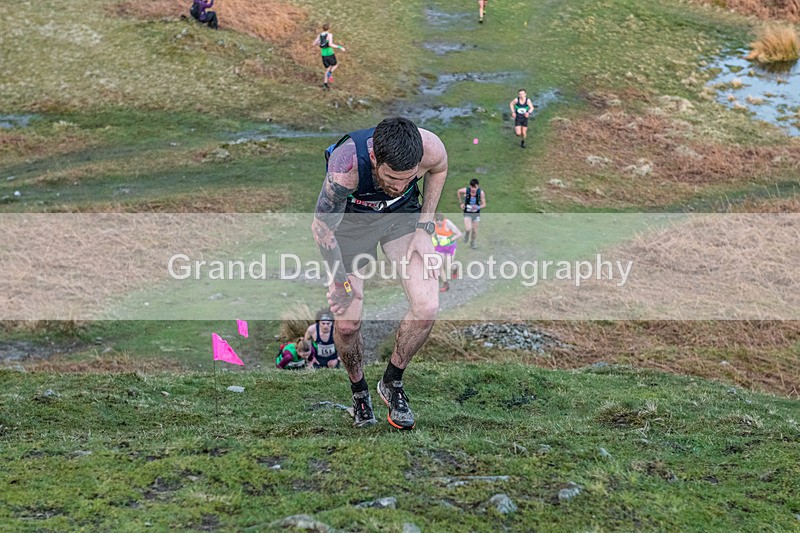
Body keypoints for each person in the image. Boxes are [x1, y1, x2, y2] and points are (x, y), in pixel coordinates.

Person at [312, 116, 448, 430]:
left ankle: (392, 382)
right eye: (391, 178)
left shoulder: (429, 147)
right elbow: (321, 229)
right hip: (351, 226)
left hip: (401, 219)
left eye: (408, 178)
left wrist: (425, 228)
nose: (399, 186)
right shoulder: (346, 167)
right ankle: (359, 392)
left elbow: (440, 168)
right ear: (374, 158)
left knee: (427, 305)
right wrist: (339, 282)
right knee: (347, 324)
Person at [432, 213, 462, 292]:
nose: (439, 225)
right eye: (437, 223)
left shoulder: (448, 223)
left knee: (449, 265)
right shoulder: (434, 224)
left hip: (450, 247)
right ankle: (446, 285)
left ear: (443, 220)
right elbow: (432, 234)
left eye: (441, 223)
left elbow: (459, 234)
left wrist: (448, 240)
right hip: (440, 247)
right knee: (440, 265)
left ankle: (455, 269)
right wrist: (433, 239)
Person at [312, 23, 346, 90]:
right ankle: (330, 73)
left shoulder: (319, 35)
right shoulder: (329, 35)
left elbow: (313, 44)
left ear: (323, 28)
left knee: (327, 68)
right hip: (330, 53)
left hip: (323, 54)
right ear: (329, 28)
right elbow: (330, 44)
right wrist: (340, 47)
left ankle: (325, 85)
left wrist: (320, 42)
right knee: (335, 65)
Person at [457, 178, 486, 249]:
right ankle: (466, 235)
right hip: (467, 212)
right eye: (472, 187)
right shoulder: (466, 190)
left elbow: (484, 204)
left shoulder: (481, 193)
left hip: (476, 213)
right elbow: (458, 191)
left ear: (478, 186)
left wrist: (477, 207)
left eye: (475, 187)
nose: (473, 189)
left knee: (474, 231)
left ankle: (472, 243)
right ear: (470, 186)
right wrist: (461, 203)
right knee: (468, 229)